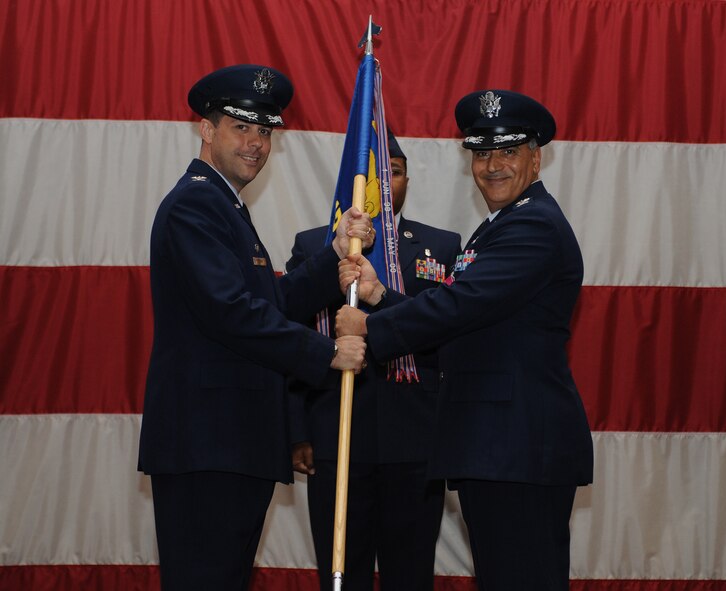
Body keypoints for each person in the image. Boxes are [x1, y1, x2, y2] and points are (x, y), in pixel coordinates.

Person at [335, 90, 594, 591]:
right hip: (498, 448)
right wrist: (380, 295)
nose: (492, 165)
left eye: (507, 151)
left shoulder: (534, 226)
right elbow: (463, 325)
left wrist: (369, 325)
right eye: (480, 153)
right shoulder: (501, 226)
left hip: (517, 448)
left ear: (535, 157)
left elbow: (460, 305)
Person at [137, 64, 374, 591]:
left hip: (230, 443)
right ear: (206, 128)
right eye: (241, 127)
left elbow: (270, 299)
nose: (255, 143)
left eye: (265, 131)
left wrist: (332, 258)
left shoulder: (224, 205)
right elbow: (233, 311)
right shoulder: (196, 203)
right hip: (208, 444)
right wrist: (326, 352)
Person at [287, 131, 461, 591]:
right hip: (335, 435)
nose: (383, 184)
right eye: (374, 176)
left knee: (411, 573)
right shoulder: (314, 247)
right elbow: (290, 336)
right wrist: (298, 431)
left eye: (395, 173)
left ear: (406, 182)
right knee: (343, 572)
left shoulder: (441, 247)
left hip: (416, 438)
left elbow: (445, 333)